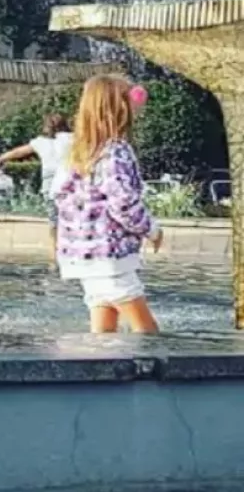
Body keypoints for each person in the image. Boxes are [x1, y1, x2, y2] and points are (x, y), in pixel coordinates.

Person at [53, 75, 163, 334]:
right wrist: (152, 229)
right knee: (148, 335)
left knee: (103, 334)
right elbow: (122, 203)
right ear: (120, 108)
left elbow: (59, 197)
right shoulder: (115, 151)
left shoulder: (79, 152)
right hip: (110, 255)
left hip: (82, 254)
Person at [0, 112, 74, 254]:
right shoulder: (72, 139)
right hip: (68, 183)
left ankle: (54, 253)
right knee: (72, 217)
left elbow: (18, 152)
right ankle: (72, 249)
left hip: (49, 185)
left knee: (54, 220)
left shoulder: (39, 142)